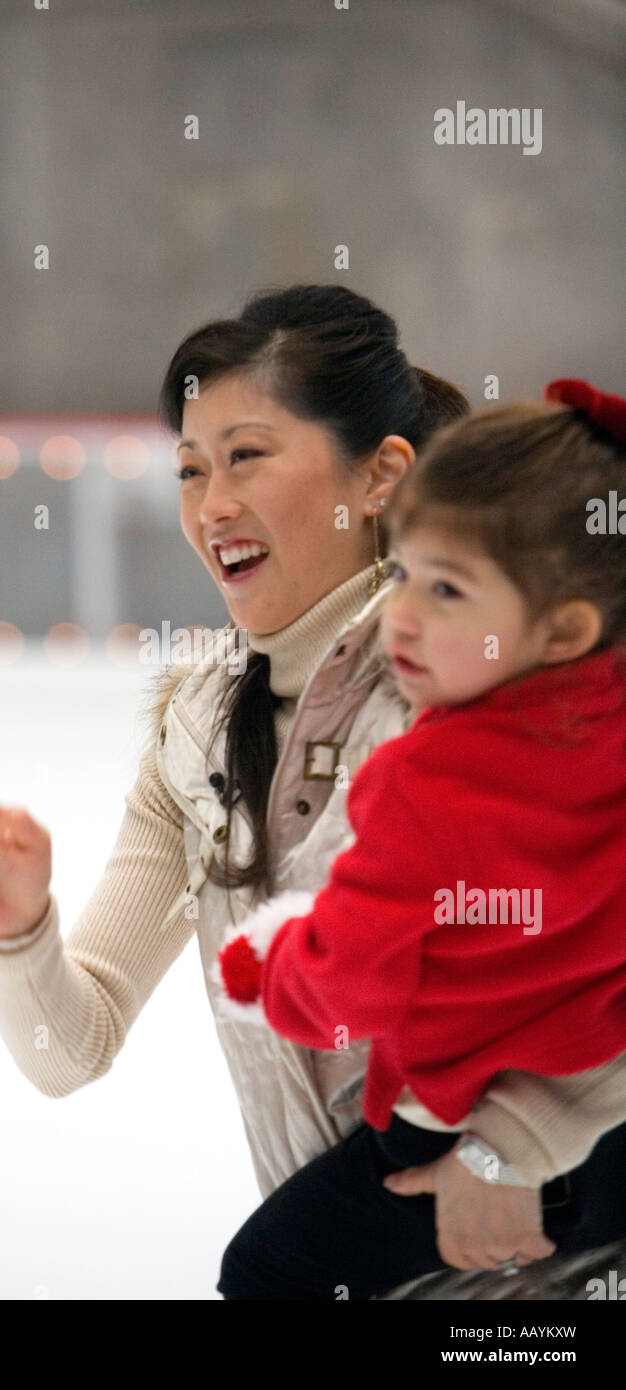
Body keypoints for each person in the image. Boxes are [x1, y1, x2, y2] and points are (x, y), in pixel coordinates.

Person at [0, 286, 626, 1294]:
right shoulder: (197, 732)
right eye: (191, 469)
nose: (209, 506)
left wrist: (506, 1149)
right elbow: (67, 1050)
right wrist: (16, 929)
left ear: (379, 475)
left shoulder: (482, 685)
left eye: (246, 456)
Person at [216, 378, 626, 1298]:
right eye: (400, 572)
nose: (401, 615)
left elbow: (350, 980)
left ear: (564, 627)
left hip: (446, 1129)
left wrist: (269, 968)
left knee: (266, 1274)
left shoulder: (426, 785)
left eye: (447, 590)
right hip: (602, 1129)